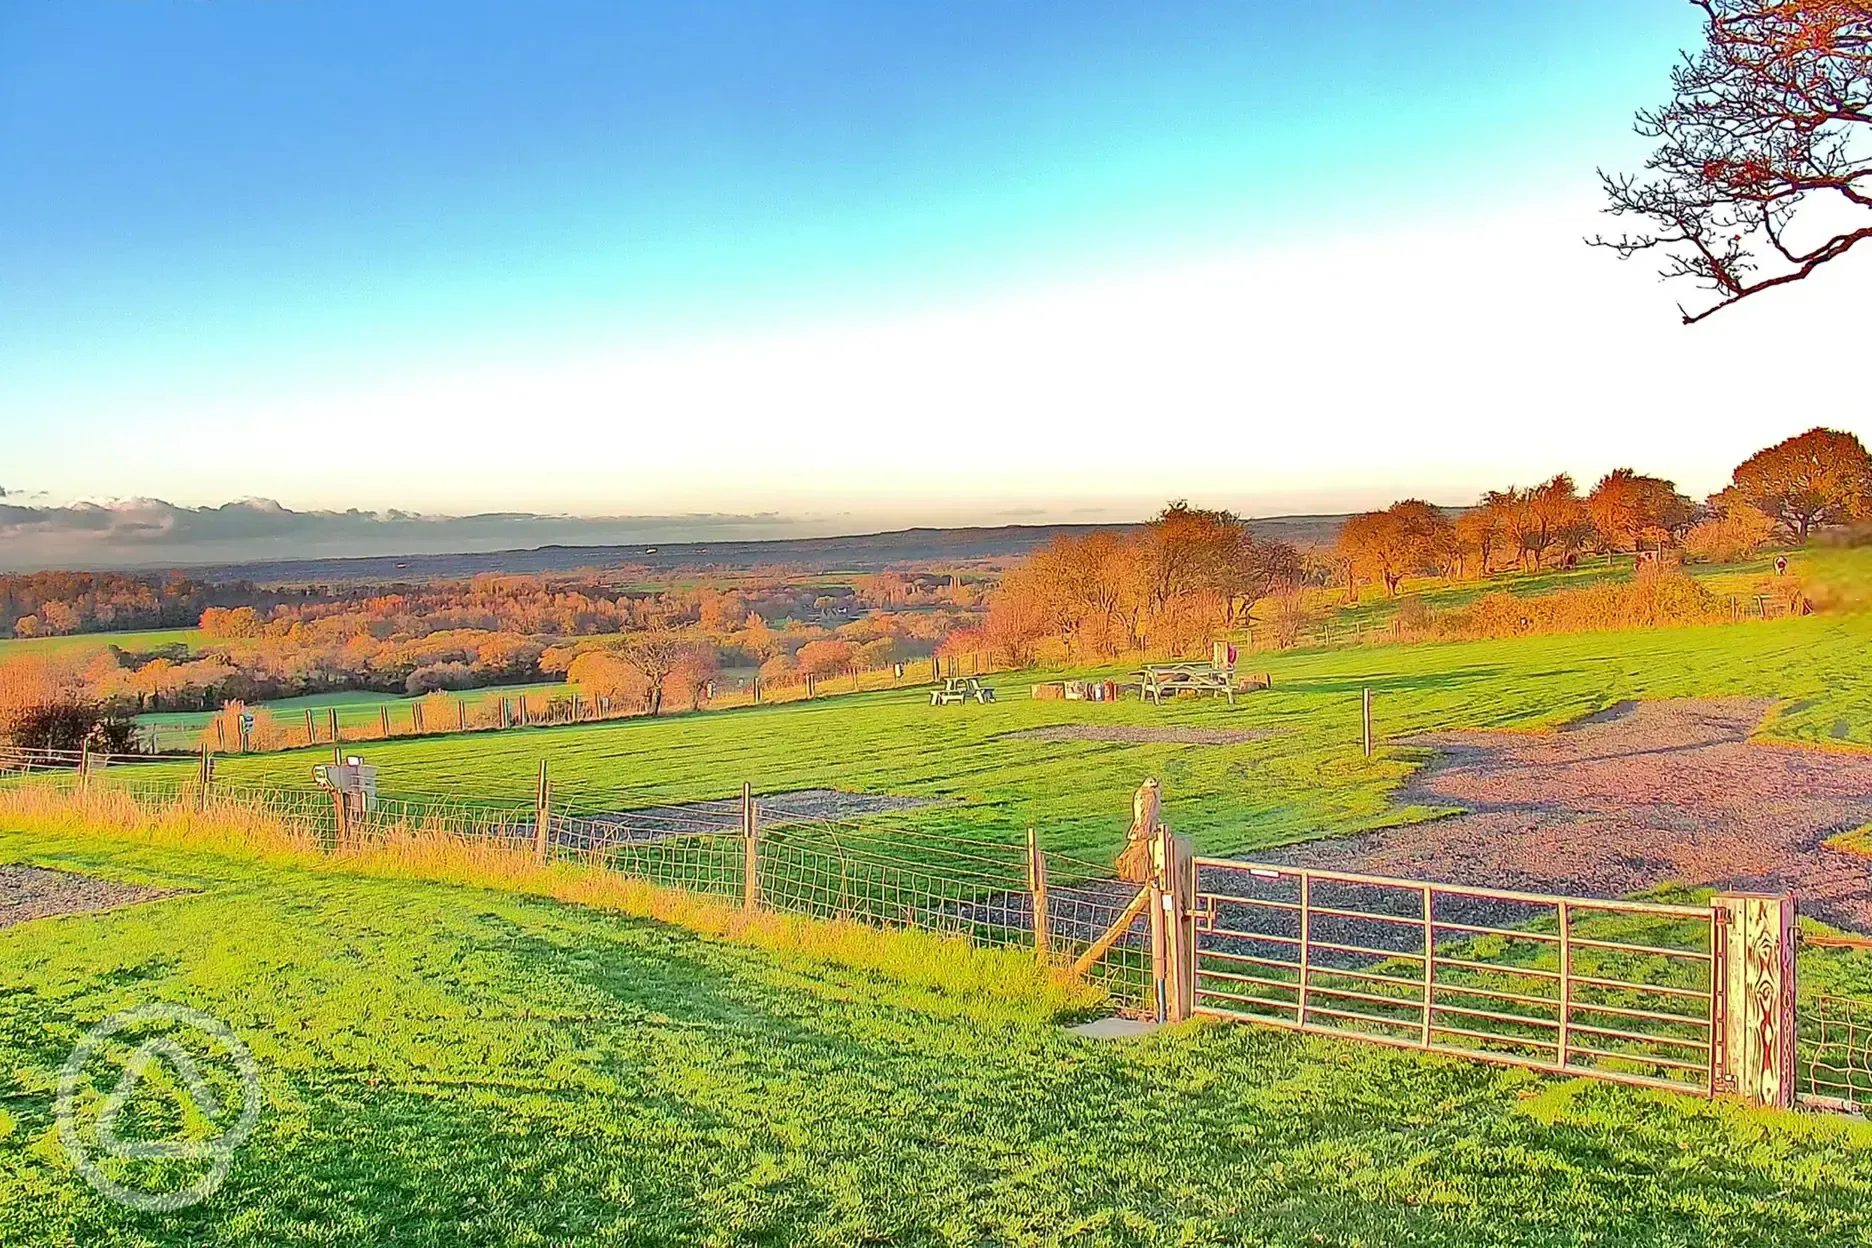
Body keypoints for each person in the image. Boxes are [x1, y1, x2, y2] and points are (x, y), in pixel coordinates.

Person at [1116, 777, 1161, 883]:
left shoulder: (1142, 793)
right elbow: (1145, 815)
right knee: (1139, 855)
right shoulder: (1148, 795)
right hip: (1145, 828)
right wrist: (1146, 829)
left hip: (1144, 826)